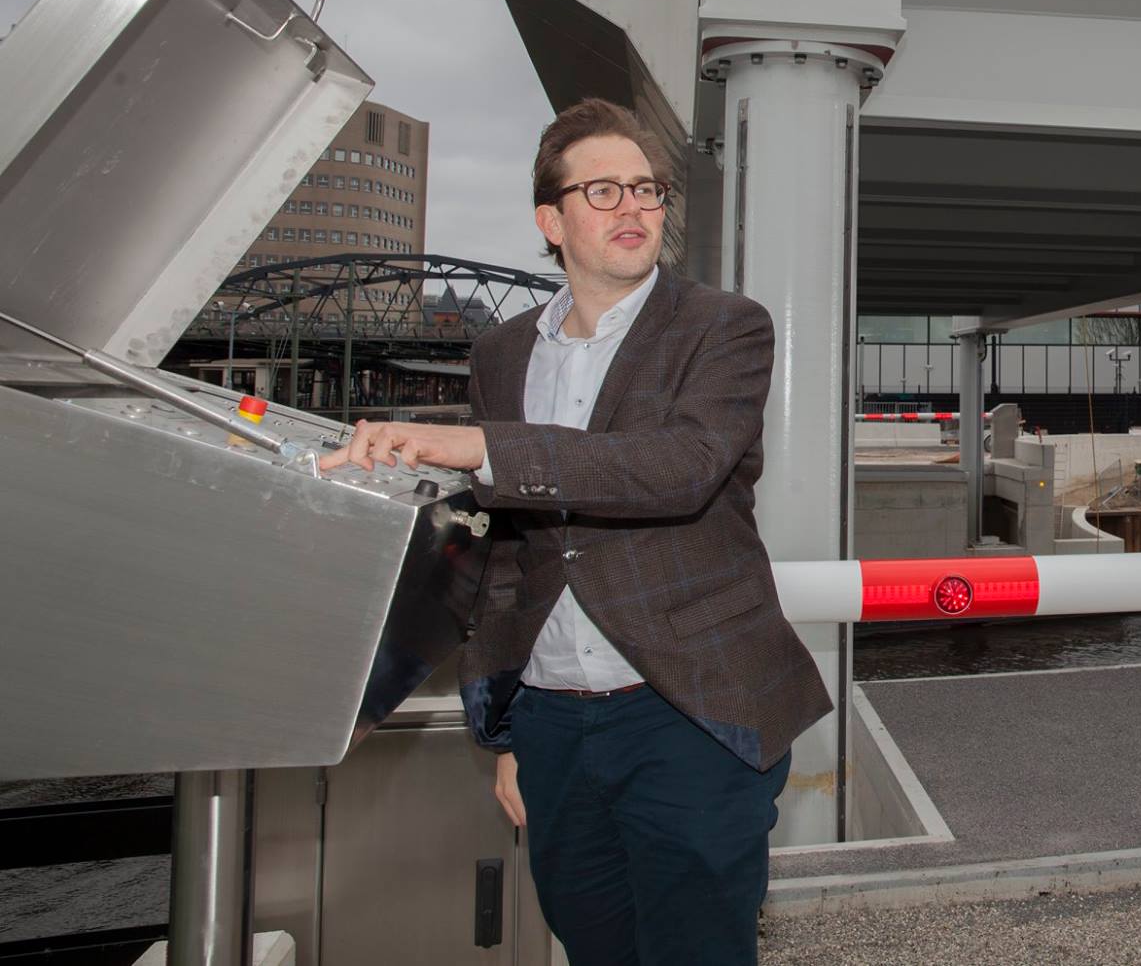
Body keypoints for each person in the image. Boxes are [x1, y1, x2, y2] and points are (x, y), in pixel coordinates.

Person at [320, 97, 829, 964]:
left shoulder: (723, 325)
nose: (634, 207)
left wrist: (478, 445)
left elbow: (680, 466)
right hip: (555, 724)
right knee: (593, 945)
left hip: (689, 714)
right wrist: (509, 732)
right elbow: (505, 553)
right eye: (603, 191)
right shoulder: (503, 352)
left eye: (647, 189)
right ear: (549, 220)